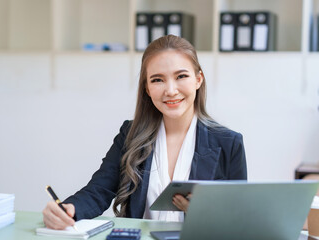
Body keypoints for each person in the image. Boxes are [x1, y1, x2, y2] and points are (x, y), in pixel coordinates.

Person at [42, 35, 247, 230]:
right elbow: (99, 190)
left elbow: (239, 217)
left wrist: (205, 213)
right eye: (157, 80)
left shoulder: (229, 143)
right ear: (147, 88)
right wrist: (69, 210)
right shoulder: (130, 134)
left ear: (198, 79)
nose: (171, 90)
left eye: (181, 76)